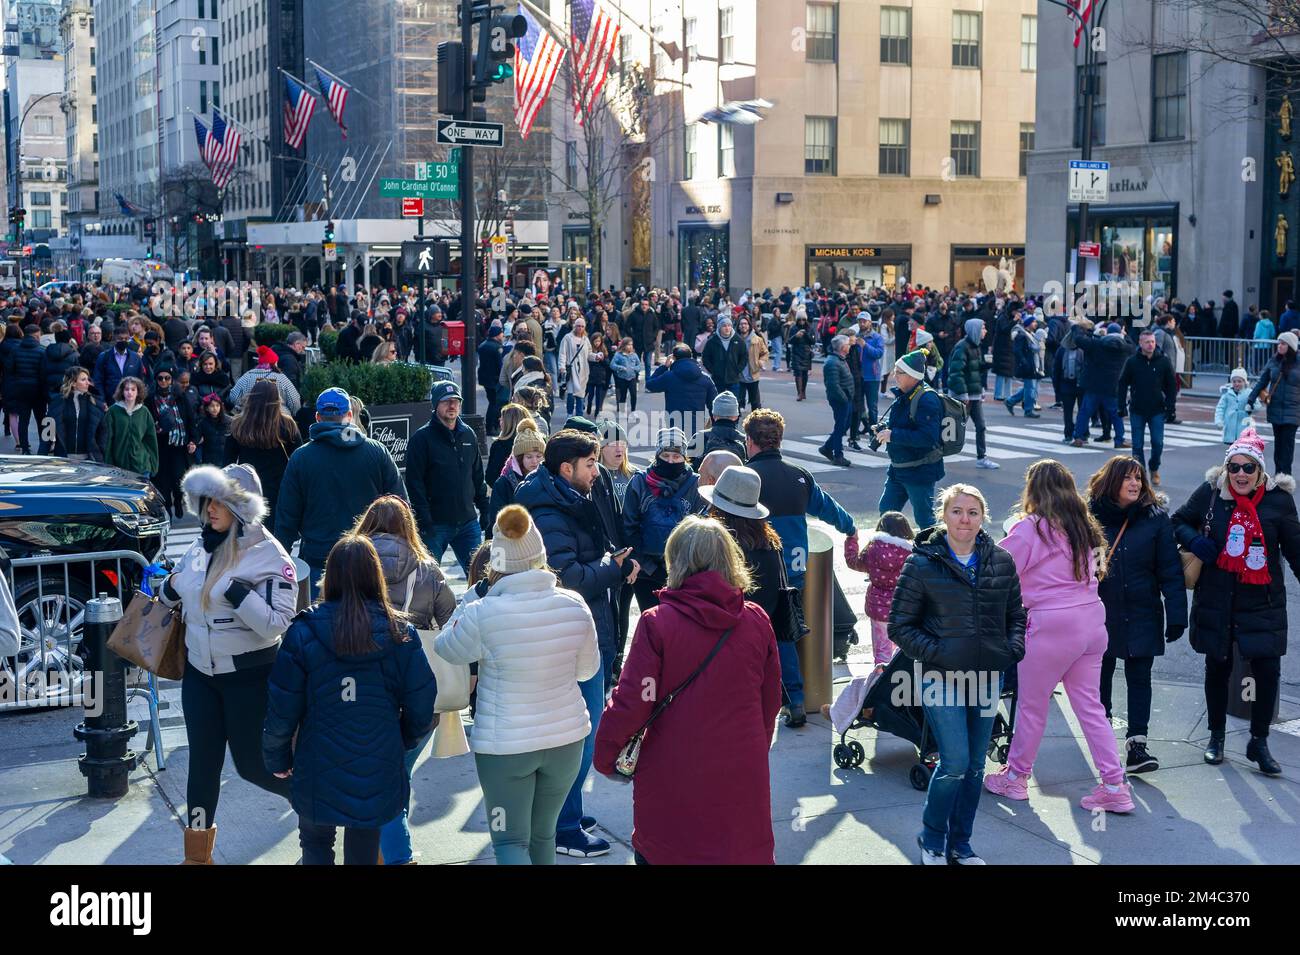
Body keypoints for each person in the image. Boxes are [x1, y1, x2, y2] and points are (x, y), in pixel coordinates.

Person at [593, 516, 782, 864]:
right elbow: (769, 700)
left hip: (673, 774)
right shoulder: (756, 620)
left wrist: (606, 755)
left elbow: (635, 700)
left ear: (675, 561)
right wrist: (753, 744)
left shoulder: (658, 623)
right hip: (741, 773)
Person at [437, 503, 600, 864]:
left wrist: (470, 599)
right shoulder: (574, 605)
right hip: (566, 738)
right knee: (544, 835)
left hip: (505, 745)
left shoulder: (482, 611)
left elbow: (446, 648)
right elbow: (588, 671)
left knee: (510, 841)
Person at [263, 534, 435, 866]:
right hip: (378, 757)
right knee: (365, 845)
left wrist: (277, 757)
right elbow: (422, 700)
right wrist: (404, 737)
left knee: (314, 842)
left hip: (317, 760)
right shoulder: (400, 633)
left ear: (331, 576)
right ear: (376, 576)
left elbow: (281, 707)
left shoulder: (304, 632)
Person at [160, 464, 300, 863]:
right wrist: (169, 586)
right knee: (201, 767)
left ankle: (314, 802)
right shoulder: (200, 544)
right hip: (200, 675)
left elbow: (278, 624)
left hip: (249, 677)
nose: (211, 510)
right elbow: (173, 592)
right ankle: (197, 857)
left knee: (254, 766)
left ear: (243, 507)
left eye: (221, 501)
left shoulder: (270, 553)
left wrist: (239, 595)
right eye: (207, 501)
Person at [512, 429, 635, 856]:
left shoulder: (559, 497)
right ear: (566, 469)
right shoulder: (550, 510)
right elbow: (570, 579)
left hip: (573, 634)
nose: (596, 470)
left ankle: (567, 810)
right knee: (580, 737)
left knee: (576, 734)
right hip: (571, 639)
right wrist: (614, 568)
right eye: (589, 464)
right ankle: (562, 828)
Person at [984, 460, 1133, 813]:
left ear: (1033, 490)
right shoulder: (1084, 527)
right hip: (1092, 622)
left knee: (1032, 706)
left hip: (1051, 624)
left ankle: (1016, 778)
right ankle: (1114, 784)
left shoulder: (1029, 528)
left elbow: (997, 571)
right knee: (1091, 708)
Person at [890, 484, 1026, 865]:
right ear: (943, 515)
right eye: (957, 511)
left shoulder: (1000, 560)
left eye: (972, 512)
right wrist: (941, 654)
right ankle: (932, 839)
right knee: (954, 763)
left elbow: (1016, 615)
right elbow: (900, 626)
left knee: (976, 767)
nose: (964, 519)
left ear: (983, 517)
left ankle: (960, 845)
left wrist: (1011, 650)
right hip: (942, 678)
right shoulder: (921, 563)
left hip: (987, 677)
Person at [1172, 428, 1300, 775]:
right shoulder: (1212, 494)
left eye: (1248, 468)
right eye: (1234, 468)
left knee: (1267, 671)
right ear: (1226, 469)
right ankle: (1216, 736)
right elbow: (1179, 521)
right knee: (1218, 666)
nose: (1240, 475)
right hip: (1218, 596)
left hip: (1262, 600)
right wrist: (1195, 542)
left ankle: (1259, 741)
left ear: (1261, 472)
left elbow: (1295, 550)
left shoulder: (1279, 502)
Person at [354, 496, 457, 865]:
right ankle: (393, 854)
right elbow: (453, 624)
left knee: (381, 778)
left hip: (364, 692)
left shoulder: (351, 565)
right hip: (419, 693)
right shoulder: (428, 570)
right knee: (398, 774)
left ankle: (389, 854)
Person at [744, 408, 855, 727]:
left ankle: (762, 699)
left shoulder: (746, 477)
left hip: (755, 570)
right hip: (793, 573)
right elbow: (827, 508)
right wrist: (850, 528)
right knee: (784, 636)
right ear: (778, 439)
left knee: (748, 637)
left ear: (749, 441)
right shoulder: (800, 475)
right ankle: (794, 699)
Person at [1087, 457, 1187, 773]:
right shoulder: (1090, 518)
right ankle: (1102, 743)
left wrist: (1177, 614)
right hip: (1101, 612)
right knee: (1099, 677)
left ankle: (1137, 746)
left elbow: (1170, 570)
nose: (1135, 484)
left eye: (1139, 479)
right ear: (1111, 481)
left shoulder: (1156, 519)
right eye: (1127, 478)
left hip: (1144, 610)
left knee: (1140, 677)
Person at [275, 387, 406, 599]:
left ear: (318, 417)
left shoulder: (301, 458)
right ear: (350, 415)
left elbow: (286, 519)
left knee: (321, 626)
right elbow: (401, 507)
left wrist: (279, 564)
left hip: (319, 561)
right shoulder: (376, 451)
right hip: (369, 561)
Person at [405, 381, 489, 576]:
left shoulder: (468, 434)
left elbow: (477, 475)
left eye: (455, 401)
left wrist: (485, 508)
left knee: (480, 577)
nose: (452, 406)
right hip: (435, 525)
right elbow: (414, 483)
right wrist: (424, 520)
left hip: (468, 522)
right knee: (427, 579)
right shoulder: (421, 439)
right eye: (446, 401)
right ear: (435, 405)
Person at [622, 428, 703, 613]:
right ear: (657, 455)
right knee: (651, 622)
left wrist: (682, 569)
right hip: (645, 572)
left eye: (676, 456)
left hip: (684, 574)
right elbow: (629, 528)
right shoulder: (639, 483)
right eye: (665, 455)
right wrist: (648, 566)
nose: (670, 461)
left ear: (685, 457)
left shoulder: (696, 485)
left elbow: (700, 531)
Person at [875, 349, 945, 530]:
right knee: (886, 512)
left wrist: (893, 435)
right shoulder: (905, 394)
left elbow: (928, 437)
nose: (894, 376)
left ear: (913, 376)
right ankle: (886, 552)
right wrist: (886, 428)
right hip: (899, 468)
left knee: (925, 520)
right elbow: (904, 422)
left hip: (919, 470)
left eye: (899, 372)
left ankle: (932, 555)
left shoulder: (927, 399)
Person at [225, 379, 303, 532]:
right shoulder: (287, 425)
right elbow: (298, 459)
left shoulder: (238, 425)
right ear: (276, 400)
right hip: (279, 487)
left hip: (248, 486)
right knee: (276, 535)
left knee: (250, 534)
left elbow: (228, 463)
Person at [844, 511, 914, 670]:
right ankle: (899, 680)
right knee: (901, 650)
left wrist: (852, 539)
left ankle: (880, 681)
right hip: (903, 608)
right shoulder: (911, 553)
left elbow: (853, 562)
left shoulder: (873, 548)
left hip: (878, 610)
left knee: (882, 650)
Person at [1117, 327, 1177, 486]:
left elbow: (1171, 386)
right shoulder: (1132, 362)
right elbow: (1122, 383)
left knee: (1158, 443)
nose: (1150, 345)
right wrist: (1121, 405)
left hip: (1157, 409)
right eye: (1147, 342)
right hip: (1137, 408)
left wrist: (1171, 407)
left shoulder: (1163, 361)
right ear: (1140, 343)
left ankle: (1154, 467)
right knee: (1137, 445)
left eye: (1152, 342)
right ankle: (1141, 474)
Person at [1068, 319, 1134, 448]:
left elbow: (1079, 340)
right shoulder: (1125, 348)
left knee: (1085, 412)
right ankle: (1119, 439)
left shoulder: (1096, 345)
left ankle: (1078, 437)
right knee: (1116, 415)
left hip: (1094, 385)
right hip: (1113, 386)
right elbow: (1133, 347)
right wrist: (1125, 335)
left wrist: (1078, 328)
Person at [1246, 331, 1300, 476]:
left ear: (1291, 346)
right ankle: (1278, 474)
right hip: (1275, 407)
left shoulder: (1298, 362)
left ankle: (1286, 475)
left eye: (1283, 344)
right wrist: (1250, 399)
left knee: (1287, 445)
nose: (1279, 346)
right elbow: (1262, 381)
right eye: (1279, 343)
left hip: (1293, 410)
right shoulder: (1274, 361)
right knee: (1279, 444)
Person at [947, 319, 997, 470]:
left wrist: (987, 364)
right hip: (964, 396)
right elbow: (956, 372)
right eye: (983, 328)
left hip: (973, 394)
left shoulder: (976, 346)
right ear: (975, 330)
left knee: (981, 426)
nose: (985, 331)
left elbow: (974, 370)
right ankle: (937, 453)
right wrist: (962, 393)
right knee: (955, 427)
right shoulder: (962, 346)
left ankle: (982, 458)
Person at [149, 368, 197, 519]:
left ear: (171, 380)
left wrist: (193, 440)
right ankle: (167, 506)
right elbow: (148, 422)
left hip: (179, 446)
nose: (164, 381)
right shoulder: (150, 399)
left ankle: (178, 500)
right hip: (160, 445)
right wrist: (157, 428)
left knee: (178, 479)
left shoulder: (180, 397)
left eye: (167, 378)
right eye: (160, 378)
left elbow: (191, 420)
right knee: (163, 481)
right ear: (156, 380)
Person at [646, 343, 718, 437]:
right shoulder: (705, 378)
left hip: (674, 423)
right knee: (696, 449)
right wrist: (715, 427)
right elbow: (714, 405)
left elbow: (650, 385)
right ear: (691, 357)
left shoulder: (669, 377)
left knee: (676, 449)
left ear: (674, 358)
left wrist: (664, 367)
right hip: (697, 424)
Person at [488, 419, 545, 529]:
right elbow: (496, 520)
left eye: (539, 456)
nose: (535, 461)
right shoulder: (504, 483)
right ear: (519, 458)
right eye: (529, 457)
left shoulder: (549, 479)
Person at [103, 376, 159, 479]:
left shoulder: (144, 411)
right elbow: (107, 440)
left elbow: (151, 440)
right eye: (127, 389)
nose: (130, 392)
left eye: (133, 389)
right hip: (118, 468)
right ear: (122, 391)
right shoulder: (113, 411)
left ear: (138, 392)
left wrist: (153, 465)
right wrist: (108, 465)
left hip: (142, 467)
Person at [47, 366, 105, 461]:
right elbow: (47, 433)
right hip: (63, 458)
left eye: (88, 379)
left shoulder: (95, 403)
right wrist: (41, 457)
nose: (88, 383)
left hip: (90, 459)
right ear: (73, 383)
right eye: (83, 380)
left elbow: (103, 434)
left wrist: (103, 458)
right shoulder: (56, 402)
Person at [3, 324, 46, 452]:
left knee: (23, 419)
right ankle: (44, 447)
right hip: (38, 390)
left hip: (20, 389)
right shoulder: (41, 350)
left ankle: (24, 447)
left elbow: (9, 369)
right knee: (42, 419)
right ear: (36, 335)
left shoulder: (15, 350)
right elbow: (43, 372)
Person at [819, 334, 855, 467]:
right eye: (848, 344)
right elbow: (833, 385)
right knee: (840, 426)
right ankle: (838, 455)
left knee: (844, 425)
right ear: (842, 347)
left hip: (845, 398)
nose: (849, 346)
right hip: (840, 400)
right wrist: (844, 398)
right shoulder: (832, 362)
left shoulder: (839, 359)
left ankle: (827, 447)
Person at [688, 390, 747, 469]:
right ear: (736, 416)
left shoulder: (700, 437)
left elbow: (687, 465)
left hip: (705, 480)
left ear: (714, 415)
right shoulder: (744, 440)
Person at [486, 403, 536, 485]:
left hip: (507, 493)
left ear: (508, 423)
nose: (499, 420)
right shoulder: (537, 443)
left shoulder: (500, 445)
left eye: (502, 418)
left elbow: (491, 477)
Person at [702, 315, 748, 402]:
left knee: (734, 404)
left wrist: (738, 369)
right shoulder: (712, 341)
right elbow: (705, 358)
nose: (727, 328)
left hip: (733, 378)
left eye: (729, 325)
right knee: (717, 403)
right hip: (718, 379)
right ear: (719, 327)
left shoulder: (738, 340)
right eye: (724, 326)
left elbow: (744, 356)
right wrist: (713, 370)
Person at [558, 316, 591, 416]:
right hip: (571, 370)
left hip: (583, 371)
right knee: (571, 394)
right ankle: (569, 414)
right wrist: (562, 367)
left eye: (582, 326)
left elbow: (589, 353)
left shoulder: (585, 340)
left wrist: (596, 356)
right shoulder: (567, 338)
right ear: (574, 326)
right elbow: (562, 353)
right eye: (578, 326)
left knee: (581, 394)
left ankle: (579, 416)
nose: (580, 328)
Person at [735, 314, 768, 411]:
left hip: (753, 373)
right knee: (738, 399)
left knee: (755, 402)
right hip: (739, 374)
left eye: (745, 324)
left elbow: (765, 352)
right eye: (741, 324)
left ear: (749, 326)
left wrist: (761, 361)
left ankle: (756, 417)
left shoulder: (757, 340)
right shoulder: (735, 340)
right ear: (738, 326)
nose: (743, 326)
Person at [1215, 367, 1255, 444]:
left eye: (1239, 381)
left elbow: (1257, 406)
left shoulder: (1249, 393)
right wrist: (1218, 421)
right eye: (1234, 381)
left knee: (1242, 452)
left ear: (1244, 381)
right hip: (1230, 429)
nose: (1236, 384)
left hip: (1244, 427)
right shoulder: (1227, 394)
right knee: (1231, 453)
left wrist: (1251, 407)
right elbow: (1220, 408)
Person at [195, 393, 232, 467]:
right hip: (209, 458)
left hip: (225, 457)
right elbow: (197, 438)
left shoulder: (228, 421)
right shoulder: (203, 423)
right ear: (206, 408)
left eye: (217, 405)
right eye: (212, 406)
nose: (215, 408)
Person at [610, 337, 642, 415]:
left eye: (631, 345)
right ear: (624, 345)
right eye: (628, 345)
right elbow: (612, 365)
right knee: (623, 396)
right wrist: (620, 368)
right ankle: (622, 412)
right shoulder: (618, 355)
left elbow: (639, 365)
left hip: (632, 378)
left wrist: (635, 369)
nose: (630, 346)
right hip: (622, 379)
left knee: (633, 395)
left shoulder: (634, 355)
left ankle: (633, 411)